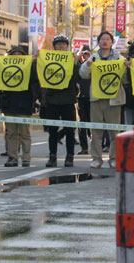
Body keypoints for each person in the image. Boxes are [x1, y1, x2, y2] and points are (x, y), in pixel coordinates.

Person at [80, 31, 125, 169]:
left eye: (108, 39)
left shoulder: (119, 58)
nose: (105, 41)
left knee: (114, 132)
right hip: (97, 98)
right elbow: (82, 74)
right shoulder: (93, 58)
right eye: (102, 39)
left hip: (114, 98)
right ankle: (96, 158)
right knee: (96, 131)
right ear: (98, 42)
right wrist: (88, 66)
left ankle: (114, 158)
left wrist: (127, 67)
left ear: (112, 42)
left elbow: (125, 78)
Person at [0, 46, 39, 167]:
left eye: (19, 55)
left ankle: (26, 158)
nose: (17, 57)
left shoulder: (31, 67)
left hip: (24, 103)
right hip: (9, 103)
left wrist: (32, 63)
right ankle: (12, 157)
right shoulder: (5, 67)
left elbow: (35, 80)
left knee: (24, 133)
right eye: (14, 54)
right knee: (10, 133)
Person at [44, 35, 80, 167]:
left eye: (63, 44)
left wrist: (76, 63)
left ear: (67, 46)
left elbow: (77, 78)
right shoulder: (47, 60)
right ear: (54, 47)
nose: (61, 46)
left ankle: (70, 156)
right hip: (52, 100)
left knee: (70, 130)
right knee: (52, 131)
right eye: (58, 44)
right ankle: (52, 156)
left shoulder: (72, 59)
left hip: (68, 100)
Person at [77, 45, 92, 155]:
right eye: (84, 53)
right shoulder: (78, 66)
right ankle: (84, 147)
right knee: (81, 124)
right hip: (80, 98)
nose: (85, 56)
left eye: (88, 53)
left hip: (93, 98)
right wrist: (77, 58)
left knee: (94, 124)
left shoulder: (95, 65)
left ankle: (96, 147)